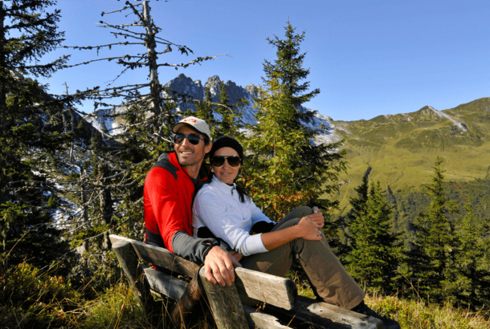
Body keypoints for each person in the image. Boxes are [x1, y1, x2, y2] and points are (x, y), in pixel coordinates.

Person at [192, 136, 400, 329]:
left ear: (240, 164)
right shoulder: (208, 196)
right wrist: (297, 230)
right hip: (230, 282)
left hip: (243, 267)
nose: (226, 166)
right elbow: (242, 244)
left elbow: (267, 224)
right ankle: (353, 307)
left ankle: (335, 295)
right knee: (299, 234)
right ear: (211, 166)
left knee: (304, 212)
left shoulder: (238, 194)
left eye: (233, 160)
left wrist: (308, 221)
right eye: (219, 161)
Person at [143, 117, 239, 286]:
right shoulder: (162, 175)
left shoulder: (207, 174)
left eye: (193, 139)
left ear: (208, 147)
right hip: (176, 269)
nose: (184, 144)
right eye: (179, 139)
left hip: (199, 264)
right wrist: (207, 249)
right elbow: (172, 236)